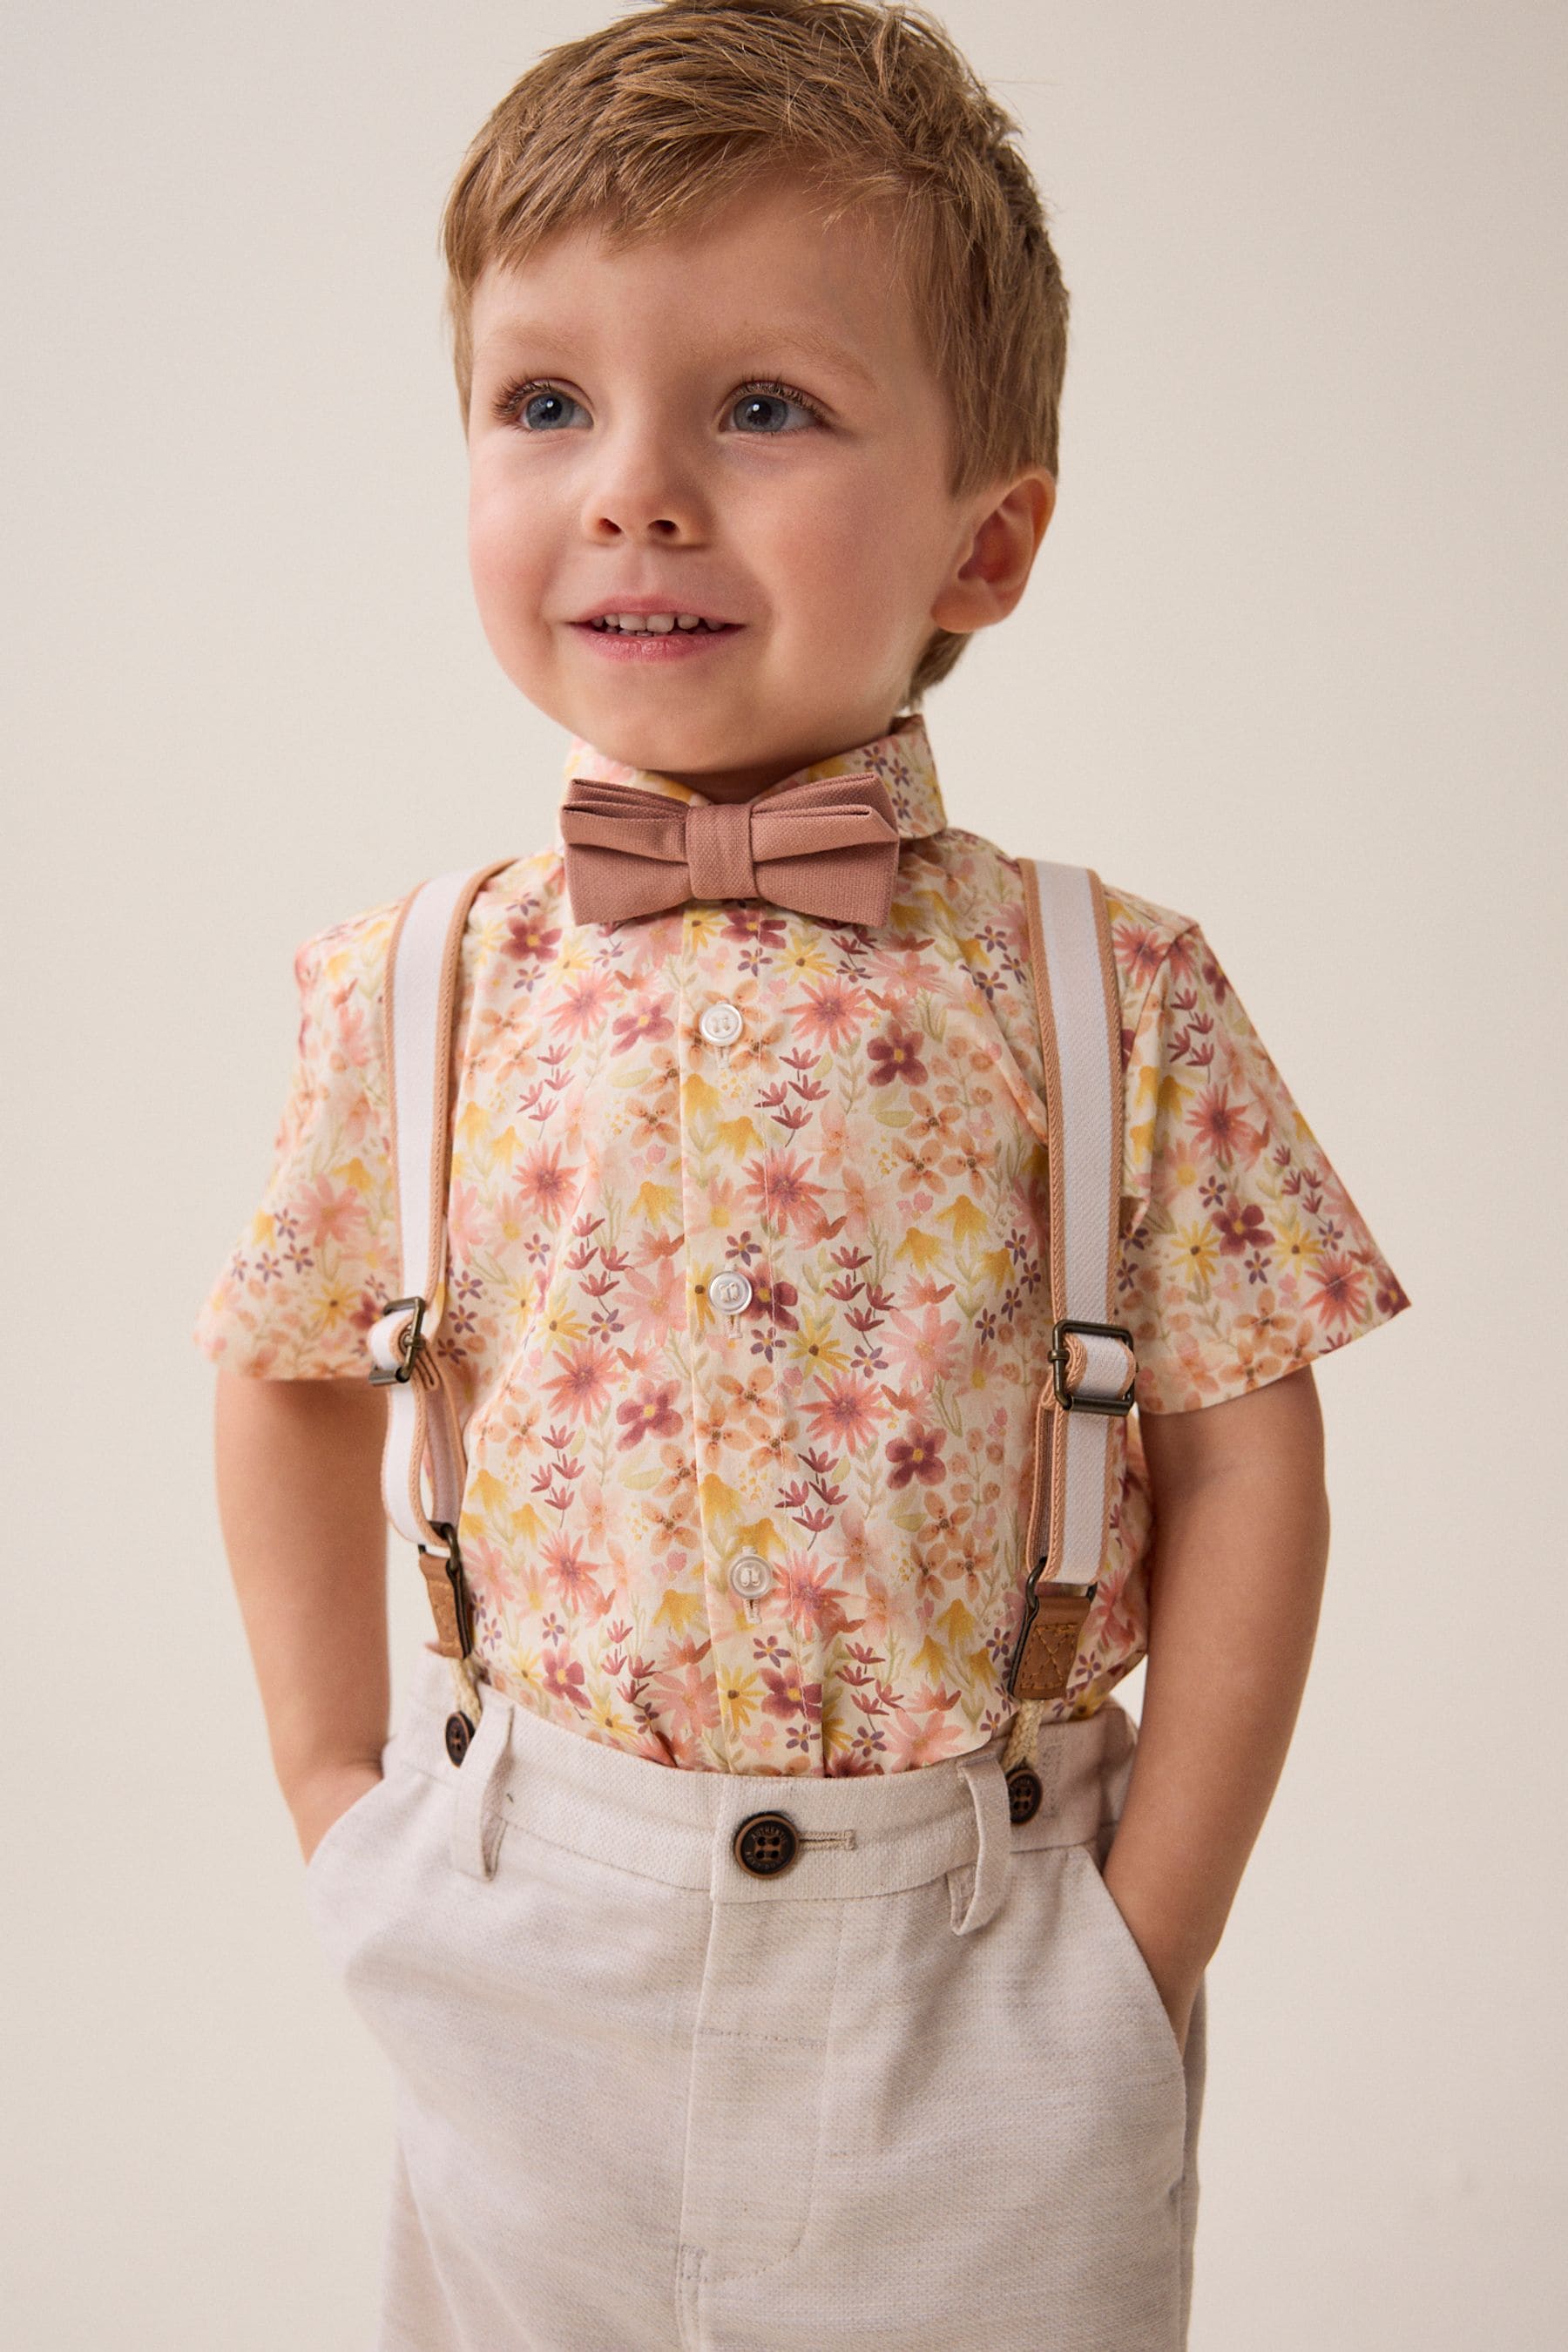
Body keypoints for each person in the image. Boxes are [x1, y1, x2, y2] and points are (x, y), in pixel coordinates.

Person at [193, 3, 1410, 2344]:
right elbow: (279, 1369)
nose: (635, 486)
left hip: (985, 1961)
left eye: (763, 407)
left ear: (996, 530)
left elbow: (1249, 1450)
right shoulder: (421, 979)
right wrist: (342, 1794)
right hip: (527, 1934)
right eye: (546, 401)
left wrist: (1152, 1937)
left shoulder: (1110, 985)